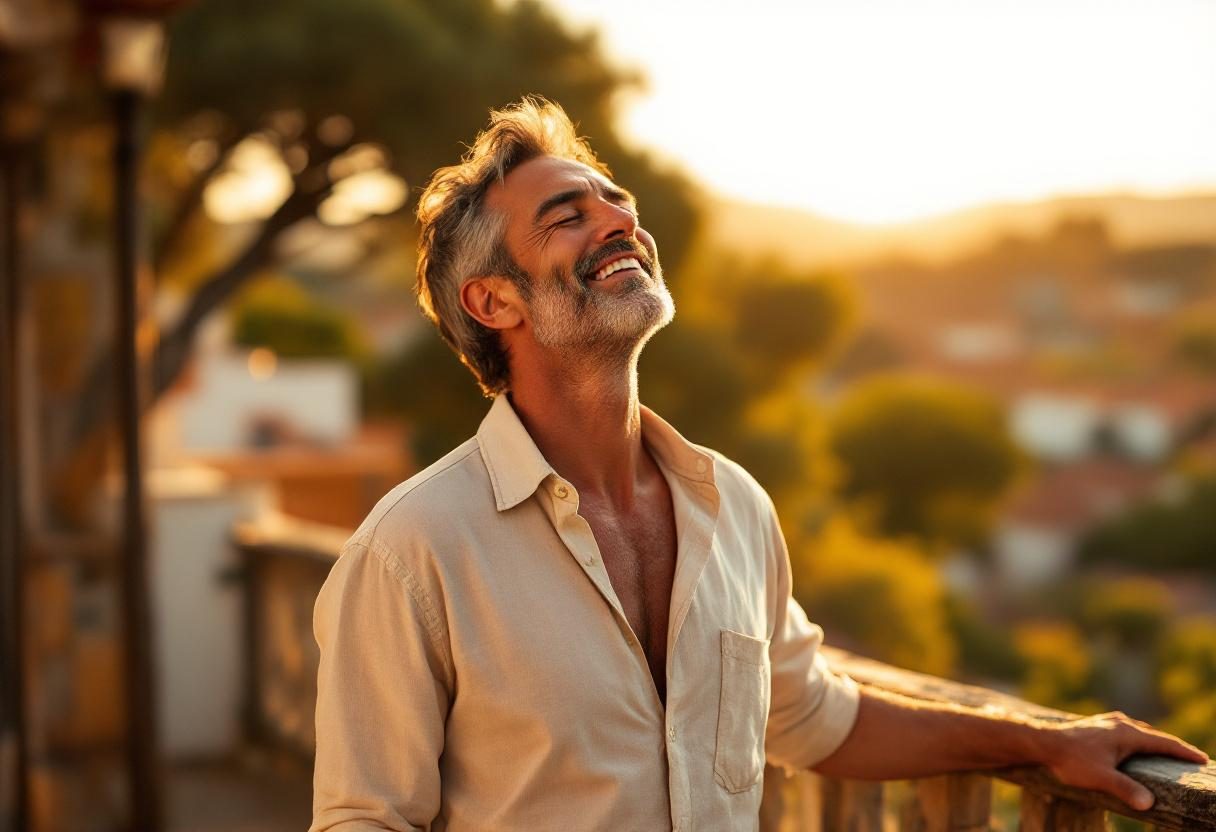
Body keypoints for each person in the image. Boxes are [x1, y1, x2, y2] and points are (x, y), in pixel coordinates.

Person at [309, 98, 1206, 832]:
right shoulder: (413, 550)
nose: (621, 221)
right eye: (568, 216)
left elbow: (815, 717)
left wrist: (1042, 743)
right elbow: (364, 820)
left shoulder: (733, 505)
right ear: (494, 300)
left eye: (617, 201)